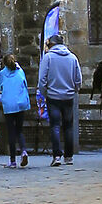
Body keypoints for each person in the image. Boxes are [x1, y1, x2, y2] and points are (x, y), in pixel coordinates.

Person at [37, 30, 84, 166]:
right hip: (68, 96)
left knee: (55, 126)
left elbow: (42, 79)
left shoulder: (48, 58)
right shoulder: (72, 57)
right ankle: (69, 157)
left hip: (53, 96)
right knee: (68, 126)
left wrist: (45, 92)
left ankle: (57, 156)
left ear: (51, 44)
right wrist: (75, 90)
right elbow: (78, 79)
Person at [0, 53, 31, 166]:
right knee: (19, 130)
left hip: (8, 105)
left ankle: (12, 161)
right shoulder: (20, 71)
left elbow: (1, 87)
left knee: (11, 132)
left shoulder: (2, 74)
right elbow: (25, 85)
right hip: (20, 103)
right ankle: (23, 150)